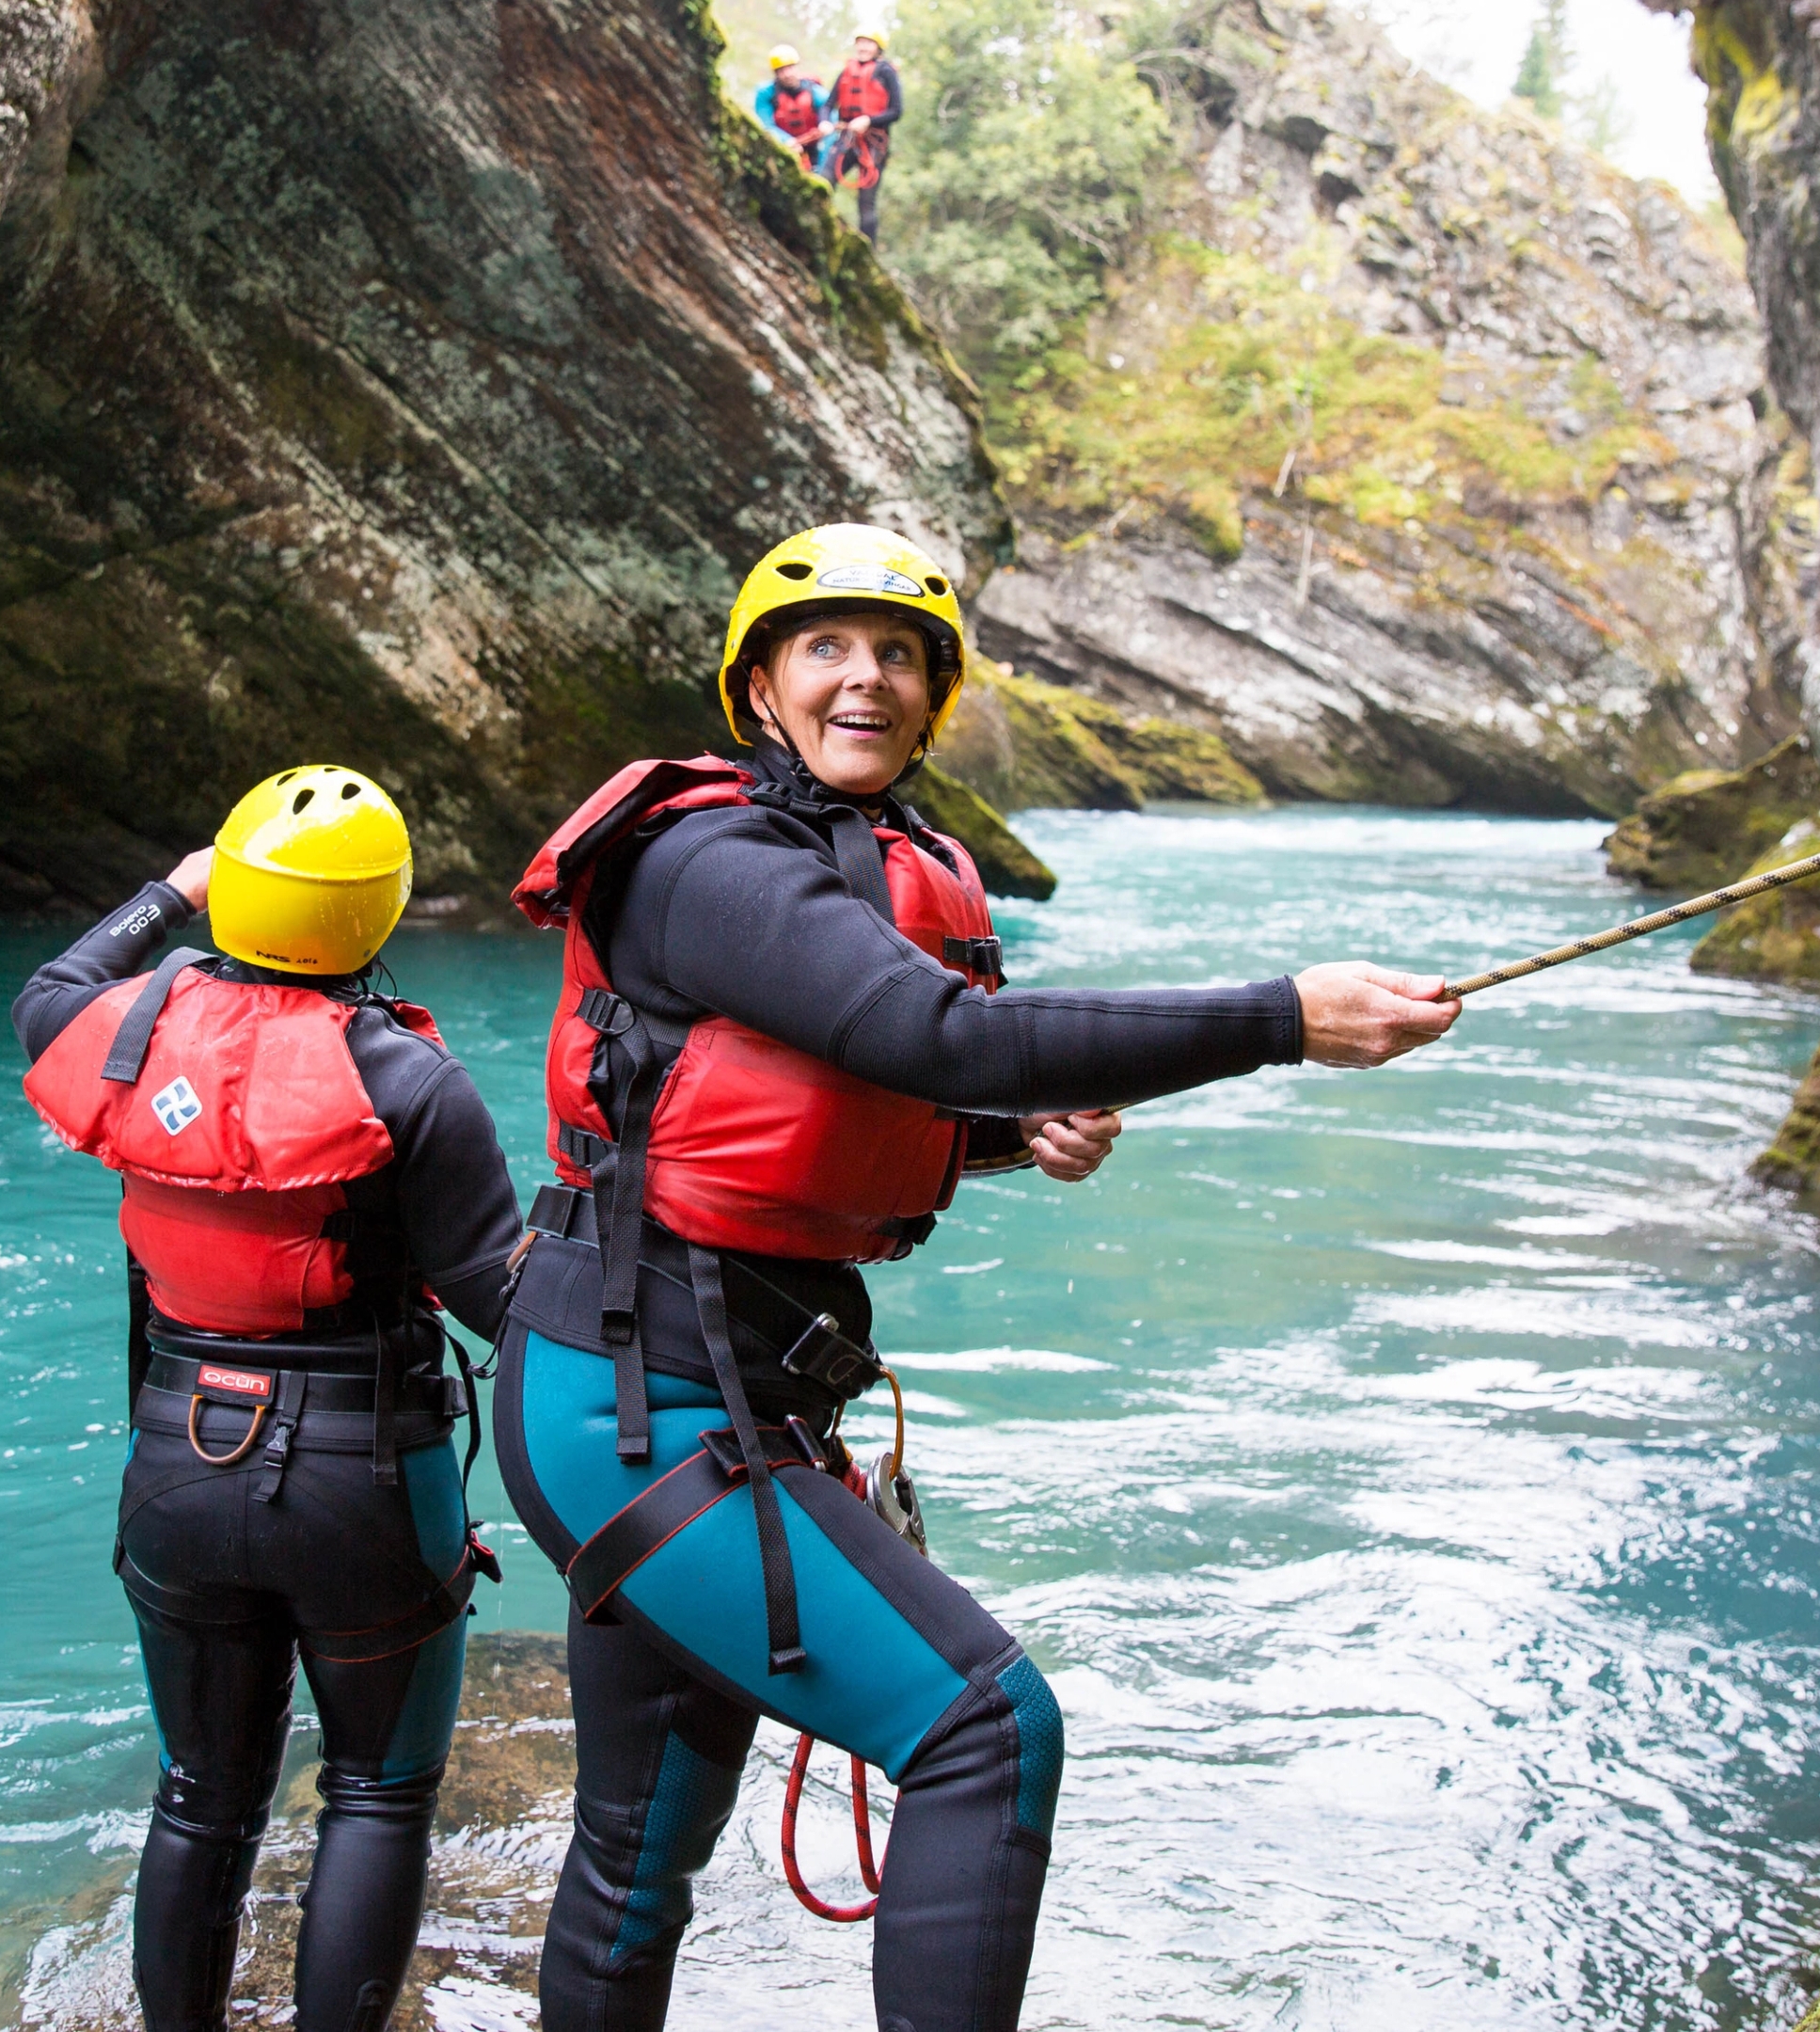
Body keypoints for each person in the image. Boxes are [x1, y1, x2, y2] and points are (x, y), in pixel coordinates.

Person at [490, 523, 1462, 2032]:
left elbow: (842, 1103)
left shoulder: (879, 867)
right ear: (758, 686)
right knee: (985, 1729)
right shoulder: (706, 857)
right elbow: (930, 1039)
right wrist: (1283, 1016)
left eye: (901, 656)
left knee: (636, 1852)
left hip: (702, 1383)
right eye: (825, 648)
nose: (864, 678)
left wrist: (1006, 1140)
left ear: (937, 699)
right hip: (635, 1398)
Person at [14, 767, 522, 2032]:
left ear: (234, 888)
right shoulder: (411, 1081)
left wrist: (167, 896)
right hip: (363, 1476)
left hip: (177, 1460)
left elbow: (48, 993)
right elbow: (499, 1301)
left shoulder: (125, 1030)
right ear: (379, 912)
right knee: (379, 1790)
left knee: (201, 1789)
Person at [828, 27, 904, 244]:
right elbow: (829, 104)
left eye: (868, 43)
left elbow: (897, 110)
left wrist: (869, 120)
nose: (863, 47)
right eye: (860, 42)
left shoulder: (886, 72)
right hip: (847, 138)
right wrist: (825, 121)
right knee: (824, 180)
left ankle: (867, 252)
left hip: (874, 144)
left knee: (866, 203)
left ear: (878, 48)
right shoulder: (846, 71)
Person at [752, 43, 829, 169]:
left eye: (790, 68)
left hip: (813, 148)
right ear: (775, 73)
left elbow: (828, 111)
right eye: (781, 70)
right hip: (782, 147)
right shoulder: (766, 93)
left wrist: (825, 124)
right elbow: (765, 124)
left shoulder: (815, 91)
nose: (787, 74)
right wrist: (786, 141)